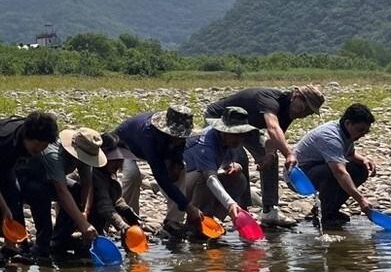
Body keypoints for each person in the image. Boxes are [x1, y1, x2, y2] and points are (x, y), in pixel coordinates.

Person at [204, 86, 324, 226]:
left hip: (246, 126)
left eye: (310, 112)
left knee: (271, 158)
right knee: (239, 159)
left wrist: (270, 153)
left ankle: (269, 210)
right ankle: (243, 210)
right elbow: (273, 127)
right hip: (220, 119)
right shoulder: (270, 101)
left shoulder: (289, 112)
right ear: (296, 96)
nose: (305, 114)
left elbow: (275, 137)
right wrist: (289, 154)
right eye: (306, 108)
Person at [0, 112, 60, 263]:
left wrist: (7, 206)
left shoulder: (26, 138)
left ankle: (12, 243)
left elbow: (6, 175)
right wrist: (3, 207)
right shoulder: (5, 142)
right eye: (39, 146)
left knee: (14, 195)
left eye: (44, 147)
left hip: (3, 160)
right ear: (29, 137)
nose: (40, 150)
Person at [19, 126, 104, 261]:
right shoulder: (53, 154)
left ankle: (59, 240)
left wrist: (84, 213)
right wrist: (82, 224)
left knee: (76, 189)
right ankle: (42, 245)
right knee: (42, 195)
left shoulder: (85, 152)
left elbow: (87, 184)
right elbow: (61, 191)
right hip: (28, 182)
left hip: (52, 182)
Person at [114, 105, 199, 232]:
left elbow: (178, 151)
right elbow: (160, 175)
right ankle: (130, 221)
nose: (180, 139)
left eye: (182, 136)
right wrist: (188, 206)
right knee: (132, 175)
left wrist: (177, 163)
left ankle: (173, 220)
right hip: (126, 146)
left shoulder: (179, 138)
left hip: (155, 150)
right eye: (177, 136)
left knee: (180, 169)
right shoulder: (148, 134)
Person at [295, 103, 377, 227]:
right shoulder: (330, 136)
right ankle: (325, 215)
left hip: (318, 168)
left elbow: (349, 154)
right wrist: (361, 199)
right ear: (348, 123)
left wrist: (364, 160)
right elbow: (339, 172)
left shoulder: (345, 132)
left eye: (366, 131)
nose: (362, 135)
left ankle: (329, 210)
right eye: (360, 130)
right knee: (334, 173)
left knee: (360, 169)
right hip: (299, 176)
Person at [178, 106, 258, 234]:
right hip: (178, 185)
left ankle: (211, 219)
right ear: (223, 131)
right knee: (204, 177)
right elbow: (210, 178)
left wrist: (236, 166)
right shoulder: (205, 143)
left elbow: (225, 164)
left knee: (239, 179)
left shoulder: (229, 141)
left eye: (241, 134)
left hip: (196, 180)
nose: (239, 139)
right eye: (235, 134)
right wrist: (230, 204)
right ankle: (196, 221)